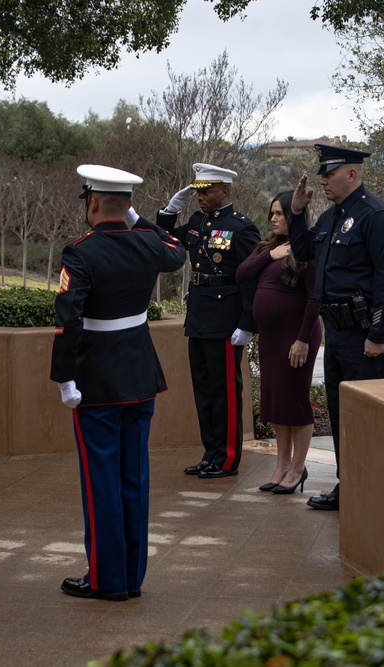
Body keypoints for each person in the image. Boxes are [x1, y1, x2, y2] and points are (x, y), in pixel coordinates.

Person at [51, 164, 186, 602]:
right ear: (127, 205)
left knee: (101, 483)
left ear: (91, 203)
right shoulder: (148, 243)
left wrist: (64, 377)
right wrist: (139, 219)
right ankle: (131, 576)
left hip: (96, 383)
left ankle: (105, 580)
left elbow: (68, 320)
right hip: (139, 376)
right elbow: (176, 250)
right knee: (134, 479)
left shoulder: (80, 252)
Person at [287, 145, 384, 511]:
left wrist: (378, 336)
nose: (321, 180)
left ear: (351, 175)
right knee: (340, 413)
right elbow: (305, 252)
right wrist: (297, 213)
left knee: (365, 418)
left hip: (367, 334)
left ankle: (370, 490)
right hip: (338, 332)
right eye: (321, 173)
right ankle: (348, 484)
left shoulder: (376, 215)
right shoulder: (333, 216)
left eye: (329, 173)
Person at [156, 163, 261, 479]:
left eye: (206, 191)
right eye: (198, 191)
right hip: (200, 315)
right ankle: (210, 453)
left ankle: (227, 459)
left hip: (226, 321)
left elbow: (252, 280)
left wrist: (247, 323)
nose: (200, 197)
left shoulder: (242, 228)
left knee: (225, 391)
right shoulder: (197, 222)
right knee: (204, 389)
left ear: (225, 191)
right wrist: (170, 210)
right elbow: (163, 240)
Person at [235, 191, 321, 494]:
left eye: (280, 213)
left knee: (295, 402)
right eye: (271, 213)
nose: (273, 218)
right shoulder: (266, 247)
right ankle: (281, 465)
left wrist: (302, 339)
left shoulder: (306, 249)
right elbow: (241, 273)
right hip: (270, 337)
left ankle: (298, 468)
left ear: (293, 216)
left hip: (296, 335)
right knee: (277, 401)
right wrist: (268, 256)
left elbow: (314, 297)